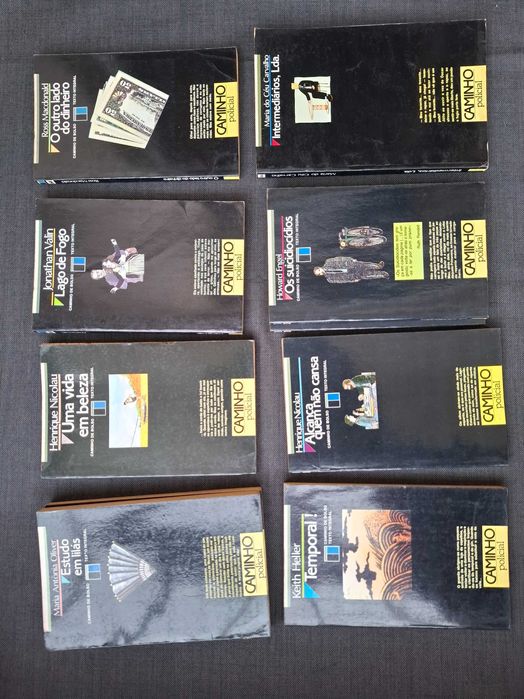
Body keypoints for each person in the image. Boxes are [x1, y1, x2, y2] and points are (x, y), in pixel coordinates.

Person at [313, 256, 389, 283]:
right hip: (352, 275)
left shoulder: (328, 261)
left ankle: (378, 266)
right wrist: (352, 280)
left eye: (319, 271)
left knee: (367, 265)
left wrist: (351, 259)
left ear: (319, 267)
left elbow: (340, 258)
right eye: (319, 274)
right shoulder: (329, 279)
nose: (320, 272)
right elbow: (342, 281)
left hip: (352, 265)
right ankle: (384, 274)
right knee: (369, 275)